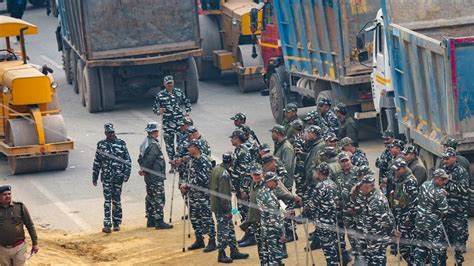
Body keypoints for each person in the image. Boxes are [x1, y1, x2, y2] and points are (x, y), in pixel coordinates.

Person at [210, 152, 249, 263]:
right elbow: (223, 195)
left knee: (230, 229)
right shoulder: (224, 174)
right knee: (223, 231)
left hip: (217, 205)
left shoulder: (216, 169)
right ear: (231, 161)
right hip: (222, 207)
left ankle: (234, 250)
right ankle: (221, 253)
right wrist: (228, 210)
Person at [92, 123, 131, 233]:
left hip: (118, 178)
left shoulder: (121, 144)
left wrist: (126, 174)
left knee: (117, 201)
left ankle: (117, 223)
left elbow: (128, 161)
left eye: (112, 132)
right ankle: (107, 224)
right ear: (105, 133)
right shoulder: (101, 145)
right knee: (107, 201)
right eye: (109, 133)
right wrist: (94, 177)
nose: (111, 134)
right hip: (106, 178)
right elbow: (97, 162)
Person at [182, 140, 216, 252]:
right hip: (192, 194)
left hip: (203, 195)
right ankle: (199, 239)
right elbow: (187, 174)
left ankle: (212, 241)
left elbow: (204, 178)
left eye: (190, 146)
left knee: (206, 217)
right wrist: (184, 183)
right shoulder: (191, 160)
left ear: (196, 148)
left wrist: (189, 184)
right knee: (194, 217)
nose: (188, 148)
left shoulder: (204, 160)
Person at [153, 75, 192, 173]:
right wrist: (159, 111)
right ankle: (173, 165)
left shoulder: (179, 92)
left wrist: (187, 112)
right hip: (168, 125)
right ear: (164, 84)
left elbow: (187, 103)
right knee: (169, 146)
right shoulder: (160, 95)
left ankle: (180, 163)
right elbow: (155, 109)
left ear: (173, 83)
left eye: (171, 83)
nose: (170, 85)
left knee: (181, 145)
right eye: (168, 84)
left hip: (180, 124)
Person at [138, 122, 172, 229]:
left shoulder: (145, 142)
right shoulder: (153, 145)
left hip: (149, 176)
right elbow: (150, 159)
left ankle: (151, 219)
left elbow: (140, 158)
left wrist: (143, 169)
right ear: (154, 132)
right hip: (155, 175)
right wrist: (144, 169)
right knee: (159, 198)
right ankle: (159, 221)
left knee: (150, 197)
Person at [304, 163, 340, 265]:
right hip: (333, 220)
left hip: (323, 221)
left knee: (328, 247)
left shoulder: (320, 186)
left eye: (315, 172)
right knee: (333, 245)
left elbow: (312, 204)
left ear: (319, 172)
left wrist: (305, 208)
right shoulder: (333, 184)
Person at [412, 169, 449, 265]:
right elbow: (444, 210)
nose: (445, 182)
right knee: (434, 251)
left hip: (419, 223)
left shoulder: (425, 184)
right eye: (443, 179)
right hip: (431, 226)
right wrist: (444, 196)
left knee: (420, 249)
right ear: (436, 178)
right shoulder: (439, 193)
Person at [441, 147, 470, 265]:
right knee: (443, 238)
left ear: (454, 157)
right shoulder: (443, 170)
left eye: (447, 159)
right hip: (446, 210)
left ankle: (458, 262)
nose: (445, 161)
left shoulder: (461, 171)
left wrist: (448, 185)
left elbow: (463, 189)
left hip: (458, 210)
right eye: (443, 159)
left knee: (458, 239)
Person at [359, 175, 395, 265]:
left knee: (378, 261)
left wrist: (392, 233)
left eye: (362, 187)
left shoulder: (375, 200)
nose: (361, 189)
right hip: (373, 237)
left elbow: (385, 220)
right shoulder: (372, 196)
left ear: (367, 187)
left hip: (378, 237)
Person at [388, 158, 418, 263]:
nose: (395, 172)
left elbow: (414, 204)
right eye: (395, 170)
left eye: (398, 169)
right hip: (400, 217)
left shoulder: (410, 181)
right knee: (403, 246)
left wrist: (408, 219)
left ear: (404, 169)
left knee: (407, 246)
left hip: (407, 220)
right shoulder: (399, 179)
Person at [0, 185, 38, 266]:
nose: (8, 196)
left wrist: (35, 243)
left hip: (19, 247)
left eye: (9, 194)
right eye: (4, 194)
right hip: (2, 249)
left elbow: (30, 225)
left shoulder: (19, 207)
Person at [332, 152, 359, 263]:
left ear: (350, 160)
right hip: (345, 211)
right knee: (351, 235)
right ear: (339, 163)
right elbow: (335, 190)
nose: (345, 163)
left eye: (346, 160)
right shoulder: (337, 174)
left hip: (358, 211)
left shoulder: (358, 172)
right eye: (342, 161)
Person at [229, 129, 253, 245]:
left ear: (237, 139)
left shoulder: (243, 152)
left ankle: (252, 235)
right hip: (238, 186)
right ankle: (248, 233)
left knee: (247, 211)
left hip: (243, 187)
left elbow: (245, 172)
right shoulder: (238, 150)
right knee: (243, 211)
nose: (231, 140)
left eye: (232, 138)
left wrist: (244, 189)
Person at [256, 172, 287, 266]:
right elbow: (274, 217)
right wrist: (282, 232)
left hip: (266, 229)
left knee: (267, 258)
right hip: (273, 231)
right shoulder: (267, 195)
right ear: (268, 181)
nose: (277, 183)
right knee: (275, 258)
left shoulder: (263, 192)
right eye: (275, 181)